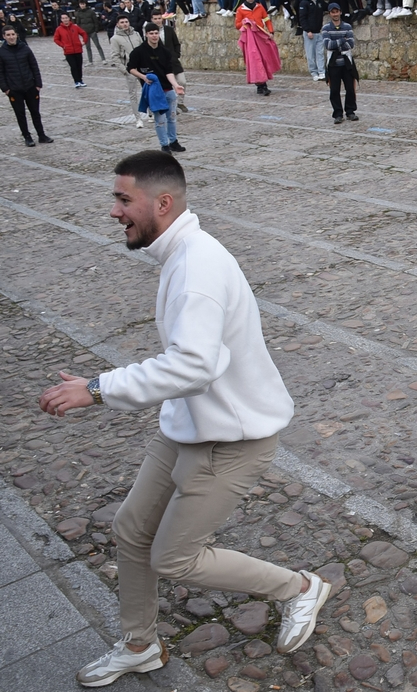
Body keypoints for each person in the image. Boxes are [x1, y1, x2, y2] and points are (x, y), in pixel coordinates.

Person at [38, 150, 332, 689]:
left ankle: (299, 588)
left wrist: (97, 389)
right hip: (188, 427)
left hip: (232, 441)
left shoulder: (197, 267)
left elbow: (193, 364)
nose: (114, 211)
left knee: (174, 558)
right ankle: (139, 644)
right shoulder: (181, 254)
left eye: (124, 199)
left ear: (163, 202)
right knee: (131, 529)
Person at [128, 22, 185, 152]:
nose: (154, 36)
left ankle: (173, 141)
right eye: (151, 33)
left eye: (156, 33)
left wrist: (175, 85)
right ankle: (164, 144)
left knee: (171, 117)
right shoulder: (138, 52)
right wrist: (143, 77)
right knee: (160, 120)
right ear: (146, 34)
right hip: (153, 92)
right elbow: (131, 68)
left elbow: (168, 71)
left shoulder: (165, 51)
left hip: (167, 89)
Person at [0, 25, 53, 147]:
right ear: (4, 37)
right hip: (14, 89)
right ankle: (27, 136)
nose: (11, 37)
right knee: (20, 114)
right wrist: (6, 89)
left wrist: (38, 84)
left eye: (13, 34)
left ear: (16, 35)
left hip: (30, 86)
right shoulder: (2, 52)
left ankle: (41, 135)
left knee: (35, 112)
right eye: (8, 35)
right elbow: (0, 72)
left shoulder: (25, 48)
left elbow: (34, 66)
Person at [235, 0, 280, 96]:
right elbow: (237, 25)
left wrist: (271, 31)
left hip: (261, 36)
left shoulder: (259, 7)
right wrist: (245, 23)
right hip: (250, 39)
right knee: (256, 60)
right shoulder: (241, 10)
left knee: (264, 59)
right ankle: (262, 85)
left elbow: (266, 20)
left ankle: (260, 84)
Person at [321, 2, 357, 124]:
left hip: (346, 63)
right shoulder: (326, 28)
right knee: (334, 90)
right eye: (333, 12)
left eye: (337, 11)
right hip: (333, 64)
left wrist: (336, 45)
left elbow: (351, 44)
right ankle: (338, 113)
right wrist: (342, 40)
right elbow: (328, 45)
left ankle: (350, 111)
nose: (335, 14)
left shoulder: (347, 26)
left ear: (340, 12)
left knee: (350, 89)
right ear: (330, 13)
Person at [110, 14, 147, 128]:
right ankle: (138, 118)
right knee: (133, 95)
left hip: (142, 68)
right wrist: (124, 70)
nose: (125, 24)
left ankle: (151, 113)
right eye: (122, 22)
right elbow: (115, 56)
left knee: (147, 91)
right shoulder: (115, 39)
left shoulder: (136, 34)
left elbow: (143, 48)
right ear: (118, 24)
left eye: (126, 21)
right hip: (129, 69)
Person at [297, 0, 326, 81]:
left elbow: (327, 7)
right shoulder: (304, 3)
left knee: (320, 53)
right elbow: (302, 18)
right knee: (311, 54)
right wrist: (307, 30)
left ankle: (322, 71)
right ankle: (314, 72)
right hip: (309, 33)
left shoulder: (319, 1)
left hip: (318, 31)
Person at [53, 12, 88, 88]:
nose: (65, 19)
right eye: (63, 18)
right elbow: (56, 39)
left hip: (78, 50)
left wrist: (83, 41)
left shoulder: (75, 27)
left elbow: (83, 33)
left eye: (66, 18)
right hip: (68, 51)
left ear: (69, 18)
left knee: (79, 66)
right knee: (73, 67)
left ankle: (80, 80)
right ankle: (76, 81)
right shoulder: (59, 29)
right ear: (61, 20)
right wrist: (63, 45)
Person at [76, 0, 107, 64]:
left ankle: (103, 59)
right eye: (81, 4)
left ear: (85, 4)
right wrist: (80, 32)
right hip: (84, 33)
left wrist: (96, 30)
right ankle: (90, 61)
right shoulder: (78, 13)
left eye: (83, 4)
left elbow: (95, 21)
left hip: (92, 31)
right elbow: (78, 23)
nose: (82, 5)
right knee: (88, 47)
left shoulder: (91, 12)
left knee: (97, 45)